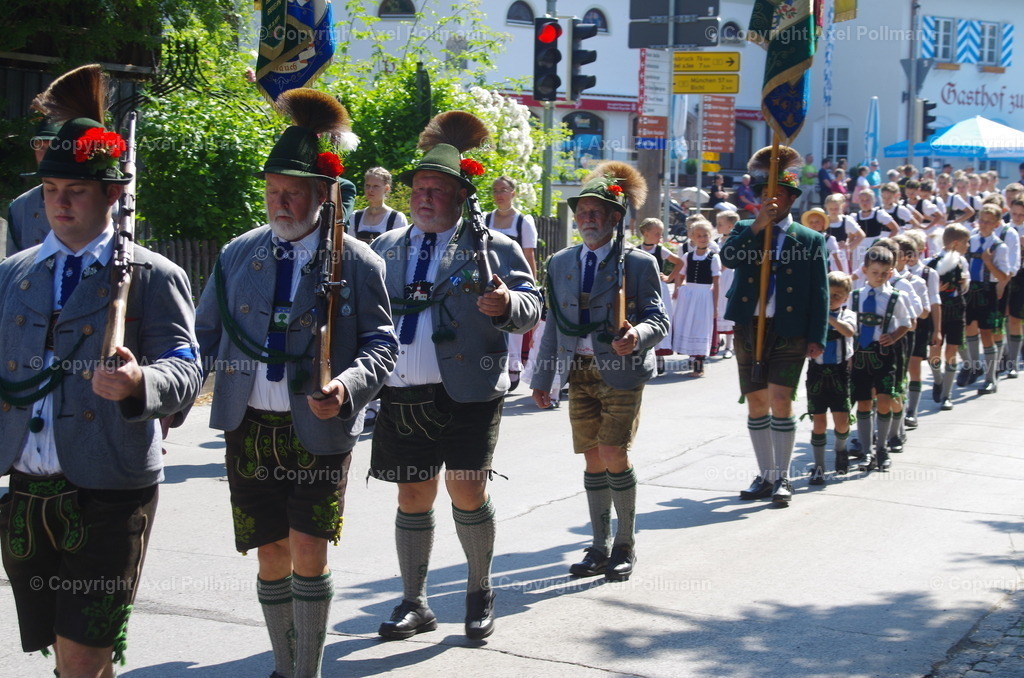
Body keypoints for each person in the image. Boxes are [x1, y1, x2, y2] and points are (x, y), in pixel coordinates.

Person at [0, 64, 202, 677]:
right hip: (27, 489)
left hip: (111, 487)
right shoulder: (14, 273)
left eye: (76, 190)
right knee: (66, 655)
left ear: (112, 193)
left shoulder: (152, 274)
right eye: (51, 188)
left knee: (85, 653)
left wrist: (142, 382)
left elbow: (187, 367)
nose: (59, 202)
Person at [194, 88, 396, 678]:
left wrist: (350, 387)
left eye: (293, 192)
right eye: (273, 190)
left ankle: (305, 668)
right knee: (270, 551)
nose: (280, 203)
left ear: (320, 195)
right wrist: (168, 394)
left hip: (320, 427)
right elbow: (203, 334)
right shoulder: (238, 254)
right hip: (249, 425)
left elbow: (383, 347)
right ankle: (284, 663)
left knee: (309, 548)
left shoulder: (356, 261)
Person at [369, 111, 541, 642]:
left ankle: (478, 589)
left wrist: (507, 301)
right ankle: (415, 603)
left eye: (437, 190)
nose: (424, 197)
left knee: (466, 491)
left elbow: (532, 306)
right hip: (402, 392)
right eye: (419, 188)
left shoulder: (495, 247)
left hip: (469, 390)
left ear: (461, 195)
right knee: (412, 495)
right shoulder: (385, 248)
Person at [530, 160, 668, 581]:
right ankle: (599, 544)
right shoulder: (560, 263)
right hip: (579, 372)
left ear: (614, 218)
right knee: (591, 459)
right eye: (582, 212)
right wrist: (542, 378)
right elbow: (554, 324)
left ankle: (625, 544)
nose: (587, 219)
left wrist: (637, 336)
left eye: (596, 212)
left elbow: (659, 320)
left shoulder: (638, 264)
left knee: (613, 453)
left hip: (622, 370)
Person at [720, 145, 829, 505]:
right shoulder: (746, 228)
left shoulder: (810, 239)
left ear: (791, 198)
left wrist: (817, 336)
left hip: (790, 328)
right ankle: (765, 476)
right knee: (756, 401)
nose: (772, 200)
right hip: (750, 327)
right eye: (767, 194)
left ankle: (782, 478)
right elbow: (729, 258)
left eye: (779, 195)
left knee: (781, 400)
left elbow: (820, 292)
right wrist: (759, 227)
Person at [850, 247, 913, 471]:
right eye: (875, 272)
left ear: (891, 272)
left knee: (885, 399)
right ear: (865, 270)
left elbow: (907, 322)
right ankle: (866, 451)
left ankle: (882, 448)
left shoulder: (896, 297)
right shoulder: (854, 296)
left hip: (885, 354)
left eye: (885, 272)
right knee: (864, 401)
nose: (879, 276)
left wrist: (894, 335)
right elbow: (849, 325)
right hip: (860, 355)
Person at [486, 175, 540, 390]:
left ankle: (514, 367)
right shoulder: (486, 219)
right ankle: (493, 364)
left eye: (503, 190)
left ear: (513, 193)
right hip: (490, 277)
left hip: (513, 278)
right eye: (495, 190)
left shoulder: (522, 221)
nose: (499, 195)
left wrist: (532, 287)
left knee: (511, 321)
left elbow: (529, 255)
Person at [805, 271, 856, 480]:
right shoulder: (813, 315)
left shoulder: (848, 314)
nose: (833, 299)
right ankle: (818, 466)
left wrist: (828, 318)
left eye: (838, 295)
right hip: (817, 373)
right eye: (829, 294)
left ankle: (841, 449)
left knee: (842, 420)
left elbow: (849, 331)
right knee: (819, 422)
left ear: (845, 297)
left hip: (840, 372)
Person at [960, 204, 1012, 394]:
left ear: (997, 224)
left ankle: (991, 378)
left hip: (986, 291)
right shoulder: (970, 241)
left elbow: (1003, 276)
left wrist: (989, 262)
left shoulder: (1000, 246)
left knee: (987, 333)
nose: (983, 224)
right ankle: (975, 367)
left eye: (988, 222)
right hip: (969, 290)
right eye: (981, 220)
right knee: (969, 329)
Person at [926, 225, 972, 410]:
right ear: (955, 243)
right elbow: (924, 288)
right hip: (938, 311)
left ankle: (947, 394)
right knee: (935, 349)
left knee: (952, 351)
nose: (968, 246)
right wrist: (935, 290)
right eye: (965, 242)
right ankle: (938, 379)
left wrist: (964, 283)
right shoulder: (932, 262)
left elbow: (966, 284)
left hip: (956, 309)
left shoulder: (962, 261)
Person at [901, 230, 942, 429]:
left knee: (914, 365)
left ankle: (912, 411)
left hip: (920, 323)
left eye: (913, 251)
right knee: (901, 367)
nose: (909, 256)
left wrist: (937, 330)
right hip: (898, 323)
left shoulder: (927, 273)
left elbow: (934, 302)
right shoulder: (892, 273)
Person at [5, 111, 61, 255]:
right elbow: (12, 268)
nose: (45, 155)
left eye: (53, 147)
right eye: (40, 147)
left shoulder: (96, 204)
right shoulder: (21, 206)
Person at [670, 218, 720, 376]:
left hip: (704, 295)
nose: (702, 238)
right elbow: (680, 274)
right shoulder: (687, 256)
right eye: (699, 235)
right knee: (688, 325)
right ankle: (692, 359)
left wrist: (716, 306)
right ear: (692, 237)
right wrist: (678, 288)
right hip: (689, 295)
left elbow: (716, 283)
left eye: (705, 235)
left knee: (700, 328)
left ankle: (699, 367)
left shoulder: (713, 257)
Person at [637, 217, 680, 374]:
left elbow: (679, 262)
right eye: (657, 233)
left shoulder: (660, 250)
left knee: (659, 318)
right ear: (646, 233)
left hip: (658, 289)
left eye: (661, 233)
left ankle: (660, 358)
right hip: (641, 288)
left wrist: (669, 277)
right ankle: (646, 357)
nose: (660, 237)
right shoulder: (637, 249)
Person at [351, 166, 409, 243]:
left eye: (376, 186)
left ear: (386, 188)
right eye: (367, 185)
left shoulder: (396, 218)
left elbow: (400, 249)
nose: (370, 190)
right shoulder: (355, 216)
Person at [714, 210, 740, 358]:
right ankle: (717, 341)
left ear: (730, 226)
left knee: (728, 307)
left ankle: (729, 346)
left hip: (730, 276)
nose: (717, 226)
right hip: (718, 278)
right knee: (717, 306)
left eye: (720, 224)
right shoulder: (716, 242)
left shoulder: (735, 242)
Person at [824, 193, 865, 275]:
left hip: (841, 255)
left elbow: (861, 235)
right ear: (826, 208)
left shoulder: (846, 220)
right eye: (831, 209)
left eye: (836, 208)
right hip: (825, 254)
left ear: (841, 207)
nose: (833, 211)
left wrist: (849, 247)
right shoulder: (823, 221)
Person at [802, 207, 842, 272]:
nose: (814, 224)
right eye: (811, 222)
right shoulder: (804, 238)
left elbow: (837, 259)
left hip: (824, 272)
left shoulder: (830, 239)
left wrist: (842, 274)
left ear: (823, 223)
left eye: (817, 222)